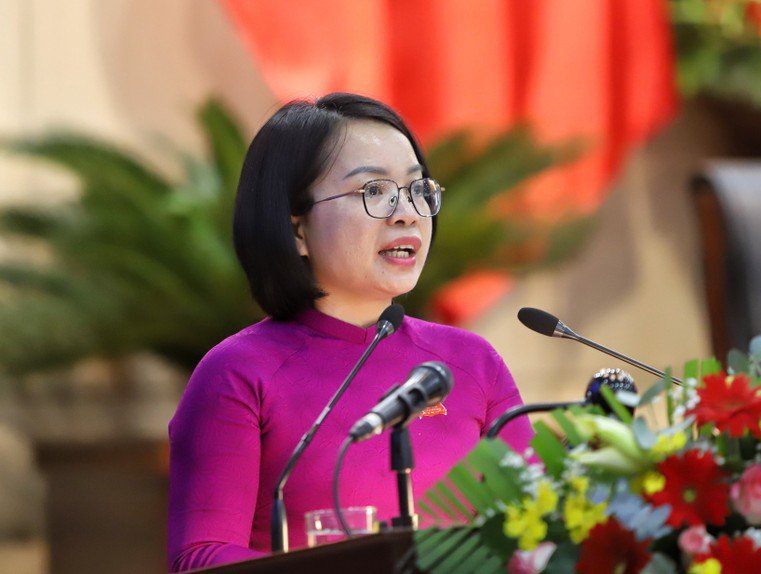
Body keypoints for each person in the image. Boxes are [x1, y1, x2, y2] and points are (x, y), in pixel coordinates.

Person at [167, 93, 533, 572]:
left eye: (417, 189)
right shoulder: (237, 373)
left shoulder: (471, 362)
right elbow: (202, 558)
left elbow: (537, 527)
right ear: (297, 230)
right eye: (374, 190)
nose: (407, 213)